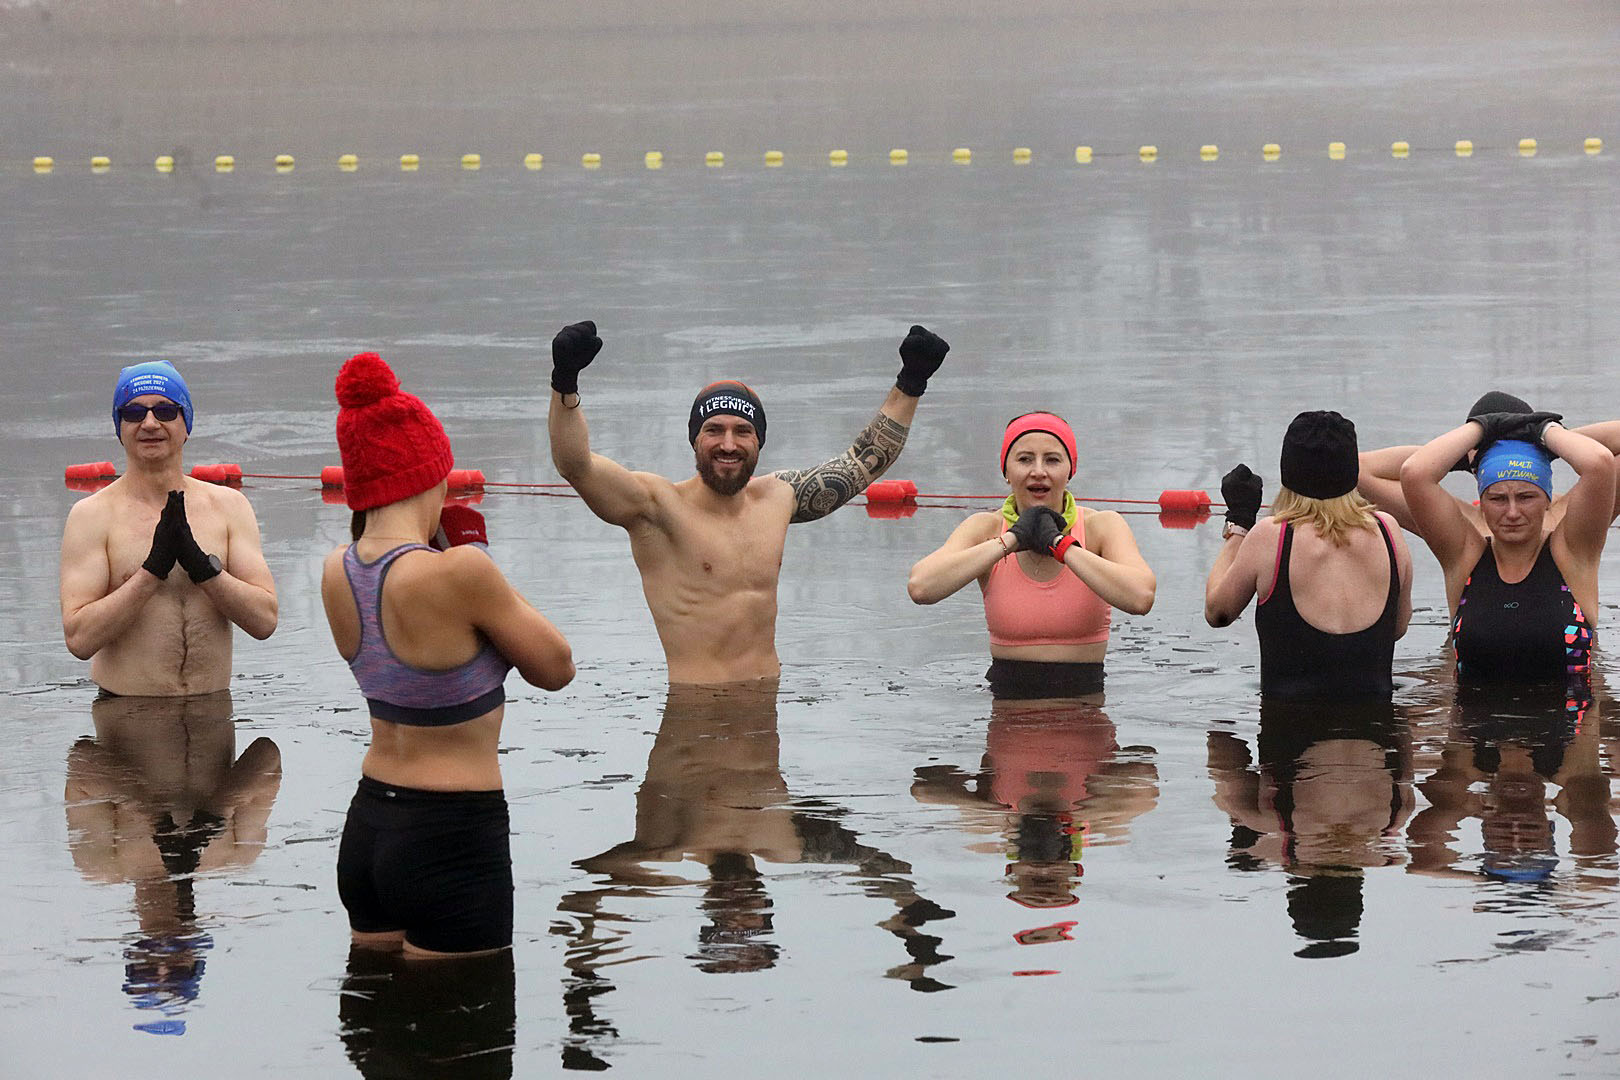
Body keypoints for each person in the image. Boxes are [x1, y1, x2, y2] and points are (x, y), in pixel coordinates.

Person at [321, 351, 574, 957]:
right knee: (469, 1044)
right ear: (426, 475)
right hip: (452, 835)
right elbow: (556, 667)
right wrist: (478, 560)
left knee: (379, 1030)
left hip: (369, 831)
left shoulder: (338, 571)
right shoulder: (460, 573)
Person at [547, 320, 950, 684]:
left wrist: (910, 381)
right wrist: (565, 384)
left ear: (758, 441)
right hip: (693, 716)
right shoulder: (656, 507)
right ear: (694, 439)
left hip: (764, 711)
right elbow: (576, 465)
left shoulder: (779, 498)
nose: (728, 444)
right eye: (713, 430)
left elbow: (862, 461)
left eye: (742, 431)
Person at [60, 361, 278, 696]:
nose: (149, 423)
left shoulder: (229, 507)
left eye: (165, 411)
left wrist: (204, 569)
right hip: (126, 716)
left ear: (186, 423)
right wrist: (151, 571)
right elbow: (79, 639)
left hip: (214, 713)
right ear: (119, 427)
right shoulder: (91, 516)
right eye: (133, 413)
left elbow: (264, 621)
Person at [906, 411, 1155, 697]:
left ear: (1069, 470)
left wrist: (1060, 545)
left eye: (1052, 459)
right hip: (1007, 704)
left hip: (1085, 704)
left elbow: (1141, 597)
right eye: (1024, 459)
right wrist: (1012, 539)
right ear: (1006, 472)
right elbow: (921, 587)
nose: (1038, 471)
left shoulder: (1102, 526)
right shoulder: (985, 528)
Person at [1205, 410, 1414, 700]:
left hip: (1290, 734)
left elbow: (1217, 612)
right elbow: (1398, 627)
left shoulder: (1271, 537)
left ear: (1288, 473)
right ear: (1353, 472)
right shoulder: (1388, 531)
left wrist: (1239, 523)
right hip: (1375, 734)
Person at [1398, 406, 1613, 685]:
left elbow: (1599, 463)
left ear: (1548, 500)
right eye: (1498, 499)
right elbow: (1414, 473)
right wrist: (1484, 428)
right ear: (1482, 504)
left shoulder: (1572, 553)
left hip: (1570, 727)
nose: (1512, 512)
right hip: (1475, 728)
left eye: (1526, 497)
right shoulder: (1465, 557)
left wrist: (1542, 431)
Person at [1356, 390, 1620, 537]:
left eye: (1526, 497)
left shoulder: (1575, 514)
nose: (1513, 514)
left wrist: (1540, 448)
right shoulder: (1455, 526)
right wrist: (1470, 456)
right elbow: (1356, 470)